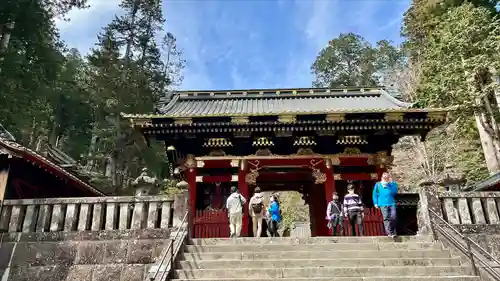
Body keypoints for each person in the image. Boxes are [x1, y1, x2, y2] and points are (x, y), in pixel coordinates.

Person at [373, 172, 398, 238]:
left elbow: (395, 192)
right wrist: (375, 203)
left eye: (387, 178)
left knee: (394, 217)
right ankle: (389, 233)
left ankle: (391, 230)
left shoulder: (392, 184)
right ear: (382, 178)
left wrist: (391, 184)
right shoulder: (378, 184)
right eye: (384, 178)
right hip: (382, 203)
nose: (385, 179)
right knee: (386, 217)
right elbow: (374, 194)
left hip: (391, 203)